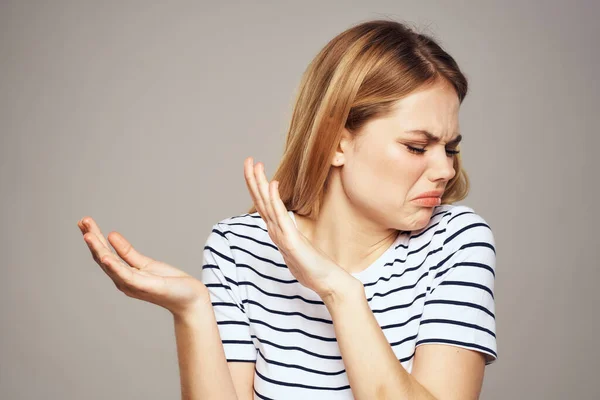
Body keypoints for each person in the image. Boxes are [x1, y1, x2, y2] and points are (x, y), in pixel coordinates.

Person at [78, 19, 497, 400]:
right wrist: (192, 311)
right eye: (417, 147)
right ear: (336, 142)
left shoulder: (456, 240)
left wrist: (339, 290)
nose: (444, 169)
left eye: (451, 148)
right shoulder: (238, 248)